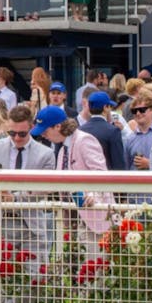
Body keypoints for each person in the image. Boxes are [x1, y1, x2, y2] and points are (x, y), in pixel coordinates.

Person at [0, 105, 54, 281]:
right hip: (0, 223)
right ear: (6, 128)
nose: (17, 138)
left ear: (31, 127)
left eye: (22, 134)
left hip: (31, 225)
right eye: (12, 133)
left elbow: (44, 188)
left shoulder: (46, 154)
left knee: (34, 280)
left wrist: (15, 197)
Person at [31, 106, 113, 257]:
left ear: (58, 126)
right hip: (74, 220)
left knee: (97, 269)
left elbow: (101, 172)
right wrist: (29, 191)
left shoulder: (84, 140)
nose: (43, 135)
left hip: (95, 218)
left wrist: (93, 194)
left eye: (45, 131)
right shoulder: (63, 150)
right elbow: (56, 183)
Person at [79, 91, 126, 171]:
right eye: (110, 106)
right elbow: (118, 164)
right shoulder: (113, 131)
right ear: (105, 107)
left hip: (84, 179)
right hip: (106, 180)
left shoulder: (80, 130)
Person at [123, 91, 152, 171]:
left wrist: (150, 164)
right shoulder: (130, 139)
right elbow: (126, 168)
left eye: (142, 110)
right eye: (134, 111)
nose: (138, 113)